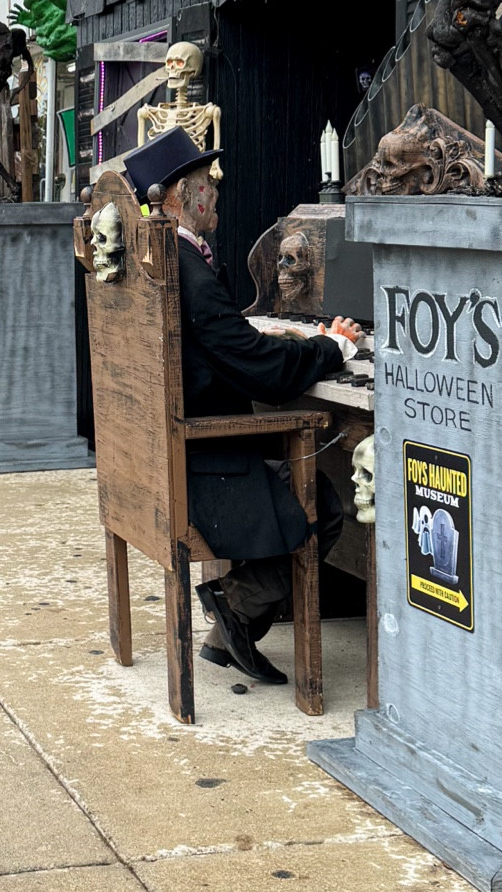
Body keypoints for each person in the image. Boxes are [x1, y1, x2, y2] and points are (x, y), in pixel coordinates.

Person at [123, 128, 362, 686]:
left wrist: (261, 333)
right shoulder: (186, 266)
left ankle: (225, 625)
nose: (217, 195)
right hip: (206, 463)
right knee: (324, 505)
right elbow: (261, 373)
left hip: (166, 456)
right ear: (180, 194)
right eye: (208, 185)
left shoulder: (156, 257)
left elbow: (220, 340)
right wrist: (333, 346)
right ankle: (230, 604)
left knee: (312, 492)